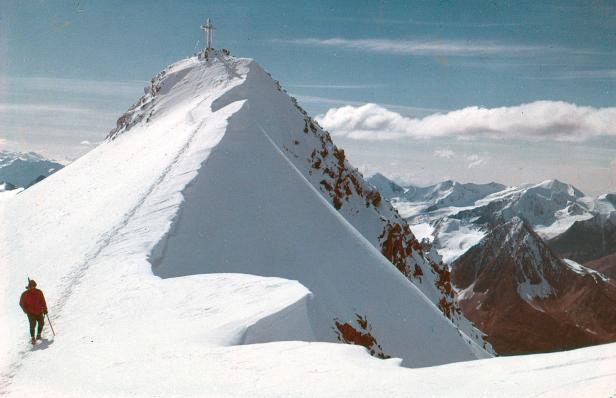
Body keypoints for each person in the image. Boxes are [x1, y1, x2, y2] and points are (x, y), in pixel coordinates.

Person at [19, 280, 48, 345]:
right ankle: (33, 338)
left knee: (42, 323)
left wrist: (45, 309)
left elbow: (43, 301)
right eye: (31, 286)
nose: (32, 288)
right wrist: (26, 311)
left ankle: (38, 334)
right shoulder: (24, 294)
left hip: (39, 311)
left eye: (33, 286)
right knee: (32, 324)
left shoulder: (39, 292)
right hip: (30, 312)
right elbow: (21, 303)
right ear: (28, 287)